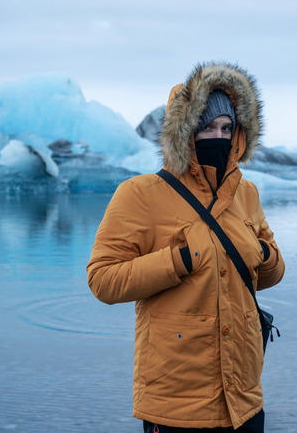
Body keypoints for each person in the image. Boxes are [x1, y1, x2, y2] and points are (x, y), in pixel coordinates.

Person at [86, 62, 285, 432]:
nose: (219, 137)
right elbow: (103, 280)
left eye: (227, 128)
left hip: (244, 401)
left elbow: (271, 271)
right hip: (177, 406)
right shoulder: (141, 194)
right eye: (207, 127)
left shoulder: (246, 193)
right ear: (185, 131)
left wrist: (263, 255)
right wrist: (178, 260)